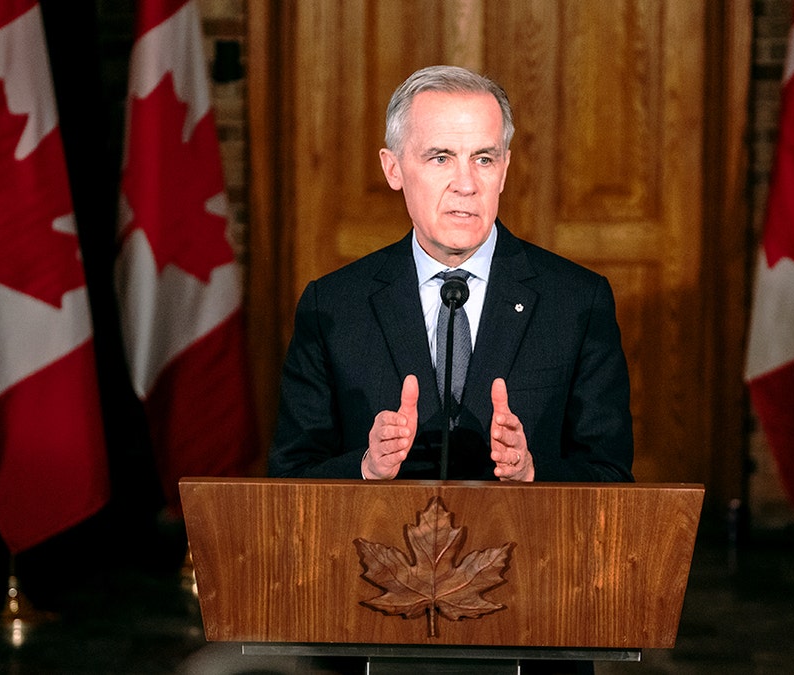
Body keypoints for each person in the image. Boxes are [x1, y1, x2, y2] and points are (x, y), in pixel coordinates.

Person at [268, 65, 634, 484]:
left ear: (505, 169)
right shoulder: (333, 306)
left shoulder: (576, 302)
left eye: (483, 159)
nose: (466, 183)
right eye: (441, 158)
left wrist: (533, 471)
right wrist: (366, 468)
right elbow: (290, 478)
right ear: (394, 169)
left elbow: (611, 479)